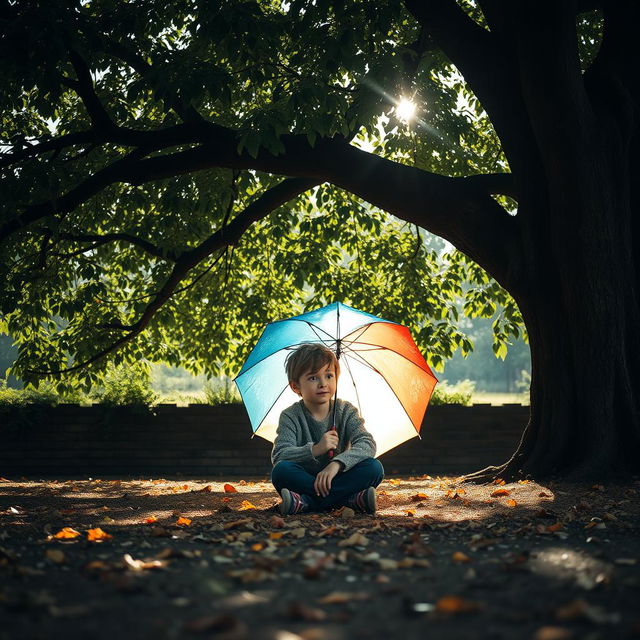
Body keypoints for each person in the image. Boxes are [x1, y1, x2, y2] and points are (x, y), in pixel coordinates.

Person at [271, 342, 384, 515]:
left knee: (374, 468)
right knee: (281, 471)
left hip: (339, 476)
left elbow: (367, 443)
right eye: (313, 377)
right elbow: (280, 454)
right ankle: (350, 500)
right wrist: (316, 449)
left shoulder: (345, 410)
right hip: (305, 479)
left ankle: (305, 502)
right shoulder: (290, 416)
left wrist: (336, 464)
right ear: (296, 386)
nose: (323, 383)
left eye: (329, 375)